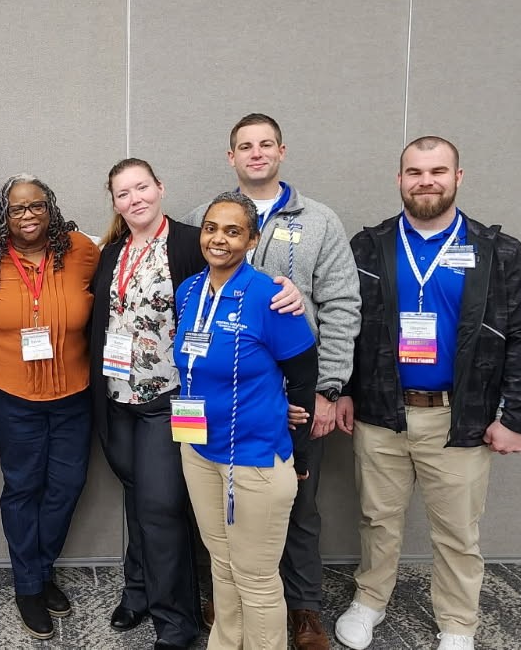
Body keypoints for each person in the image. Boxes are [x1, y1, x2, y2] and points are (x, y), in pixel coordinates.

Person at [332, 137, 521, 650]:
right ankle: (370, 601)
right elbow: (344, 323)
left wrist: (518, 416)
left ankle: (457, 624)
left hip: (459, 419)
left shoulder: (497, 250)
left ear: (458, 177)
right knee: (376, 519)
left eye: (437, 171)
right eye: (414, 171)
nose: (425, 180)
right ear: (399, 179)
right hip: (381, 414)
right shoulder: (369, 246)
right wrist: (337, 390)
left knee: (456, 532)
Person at [90, 159, 309, 650]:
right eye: (123, 193)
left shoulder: (191, 242)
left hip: (171, 404)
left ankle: (176, 620)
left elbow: (236, 281)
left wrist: (287, 290)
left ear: (160, 187)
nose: (134, 199)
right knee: (138, 499)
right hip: (118, 398)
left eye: (142, 187)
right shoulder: (111, 252)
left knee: (161, 507)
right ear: (115, 202)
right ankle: (140, 590)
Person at [186, 112, 360, 650]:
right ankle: (228, 626)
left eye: (266, 144)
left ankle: (304, 608)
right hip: (209, 428)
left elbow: (341, 306)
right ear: (230, 155)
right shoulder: (199, 231)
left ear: (281, 151)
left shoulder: (319, 220)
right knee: (225, 552)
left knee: (299, 511)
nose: (256, 153)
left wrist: (326, 390)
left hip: (289, 407)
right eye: (245, 145)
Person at [176, 192, 322, 650]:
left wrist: (298, 448)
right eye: (211, 228)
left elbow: (303, 376)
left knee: (256, 578)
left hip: (254, 457)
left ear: (253, 239)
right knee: (221, 562)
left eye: (233, 230)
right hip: (198, 449)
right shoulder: (190, 291)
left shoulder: (272, 297)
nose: (219, 239)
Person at [0, 174, 98, 641]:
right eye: (17, 209)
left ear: (51, 207)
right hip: (10, 391)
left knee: (66, 484)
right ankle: (28, 585)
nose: (27, 216)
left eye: (36, 206)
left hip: (74, 393)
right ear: (4, 213)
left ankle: (39, 570)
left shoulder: (81, 249)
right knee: (23, 486)